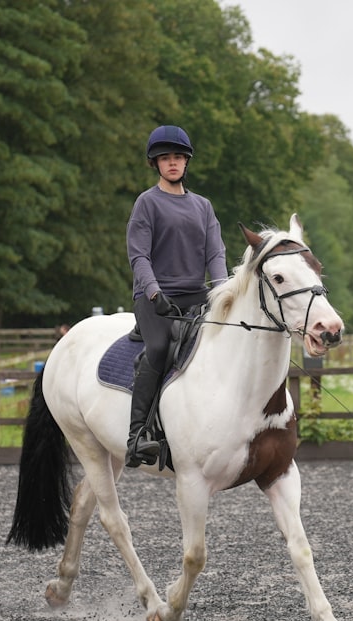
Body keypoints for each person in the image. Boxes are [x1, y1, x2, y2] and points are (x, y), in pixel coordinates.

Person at [124, 125, 228, 467]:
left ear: (186, 163)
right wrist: (154, 293)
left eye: (178, 158)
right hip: (156, 298)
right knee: (157, 348)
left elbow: (215, 254)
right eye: (166, 158)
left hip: (196, 294)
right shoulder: (147, 203)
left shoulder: (203, 206)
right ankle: (137, 435)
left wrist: (222, 290)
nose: (173, 163)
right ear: (155, 164)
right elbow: (139, 256)